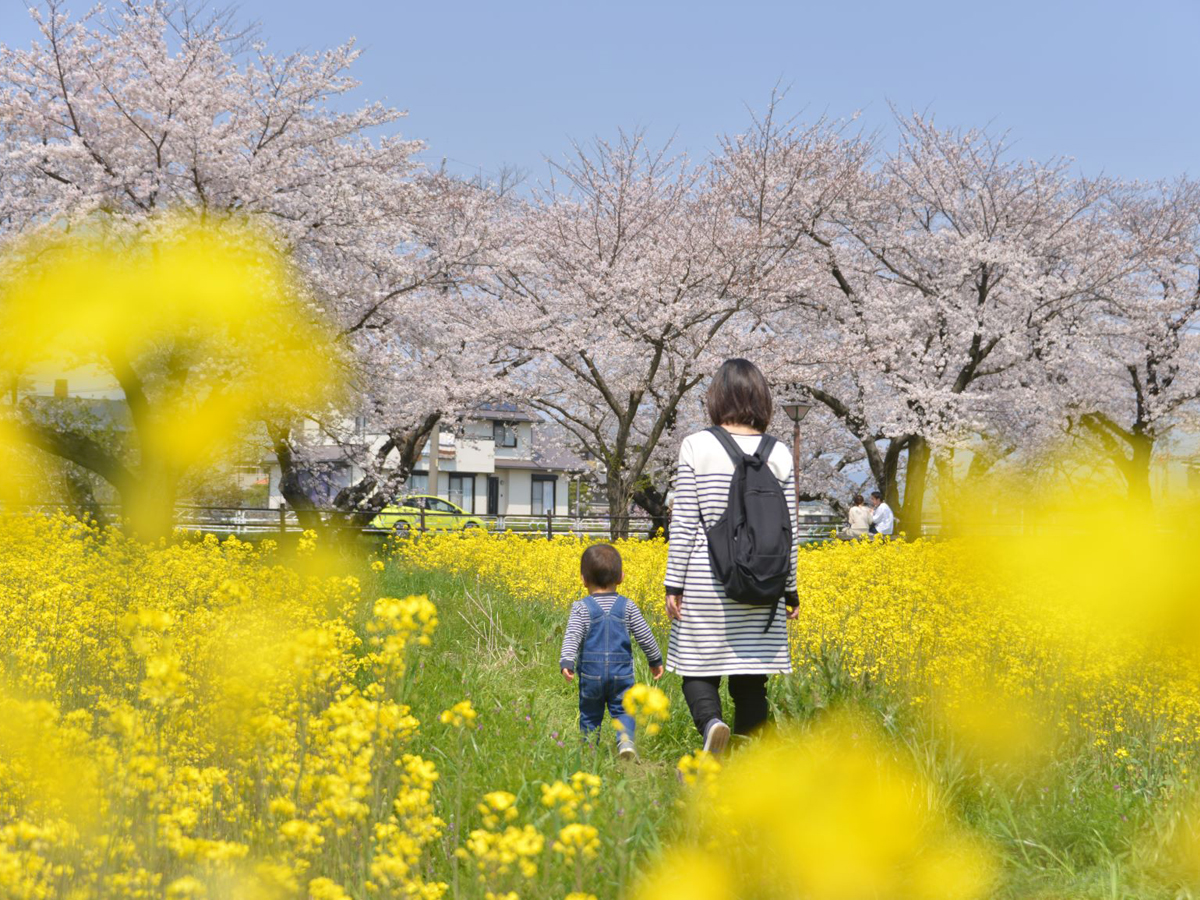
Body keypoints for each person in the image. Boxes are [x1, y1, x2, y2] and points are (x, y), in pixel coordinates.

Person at [664, 358, 800, 755]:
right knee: (751, 678)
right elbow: (788, 531)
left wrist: (674, 584)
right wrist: (789, 591)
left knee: (696, 669)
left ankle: (712, 724)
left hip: (709, 584)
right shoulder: (779, 453)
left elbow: (685, 522)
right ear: (762, 398)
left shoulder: (697, 445)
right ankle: (750, 766)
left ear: (717, 397)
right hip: (763, 586)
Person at [560, 543, 664, 761]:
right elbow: (645, 635)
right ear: (621, 577)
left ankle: (588, 750)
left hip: (591, 675)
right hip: (622, 674)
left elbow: (572, 636)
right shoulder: (628, 606)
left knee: (590, 713)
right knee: (623, 709)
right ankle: (625, 741)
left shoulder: (581, 607)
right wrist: (654, 660)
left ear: (583, 579)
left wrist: (567, 662)